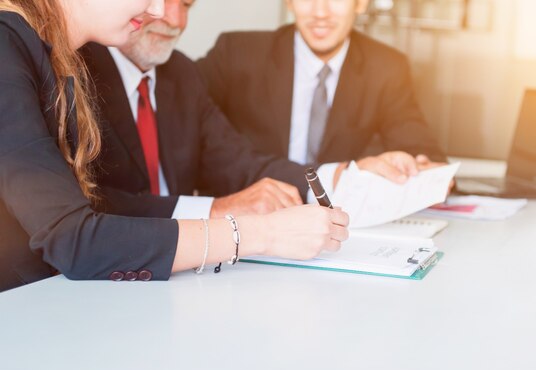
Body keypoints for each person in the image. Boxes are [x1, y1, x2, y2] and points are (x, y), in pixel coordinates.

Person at [0, 0, 349, 292]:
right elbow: (76, 238)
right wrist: (262, 234)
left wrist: (347, 176)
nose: (157, 10)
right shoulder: (9, 43)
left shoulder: (45, 55)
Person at [82, 0, 425, 220]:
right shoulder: (75, 70)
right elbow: (79, 205)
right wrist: (215, 210)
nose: (173, 18)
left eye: (185, 3)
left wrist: (347, 174)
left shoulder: (180, 74)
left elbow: (239, 163)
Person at [196, 0, 447, 173]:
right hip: (251, 211)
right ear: (289, 2)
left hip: (337, 219)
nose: (320, 13)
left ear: (360, 3)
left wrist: (422, 169)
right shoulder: (236, 54)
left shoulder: (386, 67)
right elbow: (177, 112)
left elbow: (422, 151)